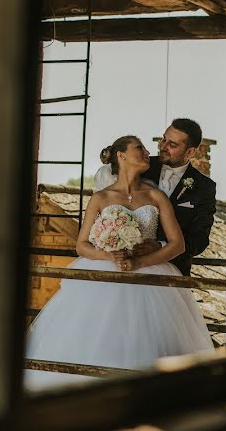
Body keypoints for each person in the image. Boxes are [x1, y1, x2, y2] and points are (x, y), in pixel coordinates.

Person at [25, 135, 214, 390]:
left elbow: (177, 244)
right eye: (140, 148)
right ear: (121, 156)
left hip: (150, 275)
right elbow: (81, 245)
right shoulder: (101, 198)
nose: (148, 151)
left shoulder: (156, 197)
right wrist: (108, 255)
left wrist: (141, 262)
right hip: (104, 273)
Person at [133, 118, 217, 276]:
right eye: (164, 139)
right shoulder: (141, 167)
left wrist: (162, 246)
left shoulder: (204, 187)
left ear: (190, 152)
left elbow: (200, 240)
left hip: (172, 273)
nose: (163, 147)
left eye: (172, 145)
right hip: (130, 266)